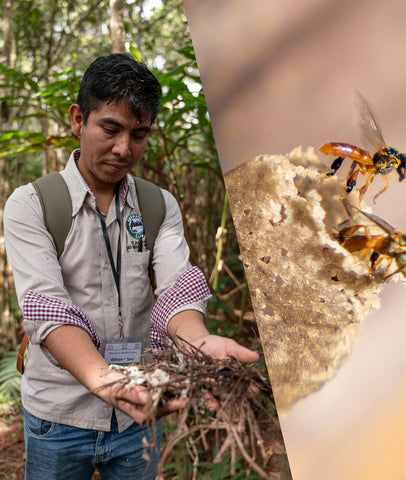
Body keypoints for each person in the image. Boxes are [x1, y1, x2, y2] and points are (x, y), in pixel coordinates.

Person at [3, 53, 259, 480]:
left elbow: (178, 288)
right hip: (58, 418)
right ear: (77, 119)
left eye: (138, 134)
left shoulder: (158, 206)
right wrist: (105, 380)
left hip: (136, 417)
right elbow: (47, 308)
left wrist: (200, 343)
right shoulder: (32, 204)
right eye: (110, 128)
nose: (124, 149)